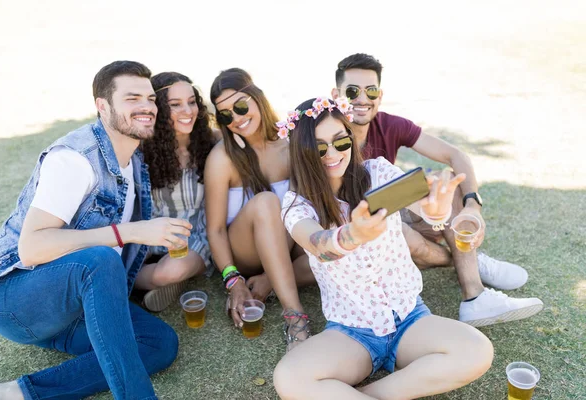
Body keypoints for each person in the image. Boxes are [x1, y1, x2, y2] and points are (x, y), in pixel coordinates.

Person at [0, 61, 191, 400]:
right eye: (132, 98)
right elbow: (32, 248)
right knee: (98, 260)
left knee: (159, 344)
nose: (146, 107)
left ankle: (15, 394)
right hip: (16, 301)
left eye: (151, 98)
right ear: (102, 105)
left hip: (71, 306)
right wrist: (131, 232)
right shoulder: (75, 160)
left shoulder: (133, 155)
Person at [273, 97, 493, 400]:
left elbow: (420, 199)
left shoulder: (376, 172)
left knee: (477, 350)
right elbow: (319, 245)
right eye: (320, 148)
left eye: (341, 142)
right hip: (352, 332)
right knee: (288, 378)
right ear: (302, 153)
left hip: (410, 317)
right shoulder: (296, 204)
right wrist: (353, 234)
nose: (333, 154)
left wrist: (437, 209)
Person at [332, 53, 543, 327]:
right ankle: (468, 259)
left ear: (380, 95)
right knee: (400, 234)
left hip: (393, 214)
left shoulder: (389, 124)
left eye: (370, 90)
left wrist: (472, 206)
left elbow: (456, 156)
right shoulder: (326, 131)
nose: (362, 99)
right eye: (352, 91)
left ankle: (474, 296)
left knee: (446, 185)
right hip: (355, 233)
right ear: (336, 94)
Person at [205, 68, 314, 350]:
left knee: (331, 247)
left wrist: (267, 278)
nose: (237, 118)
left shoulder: (290, 144)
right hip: (247, 250)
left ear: (258, 98)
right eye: (226, 115)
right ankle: (295, 316)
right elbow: (215, 230)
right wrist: (233, 280)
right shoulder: (222, 158)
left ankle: (273, 280)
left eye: (241, 106)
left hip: (290, 243)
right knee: (267, 201)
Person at [138, 72, 218, 312]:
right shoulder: (142, 148)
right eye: (175, 105)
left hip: (193, 239)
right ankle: (157, 279)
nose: (188, 110)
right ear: (159, 109)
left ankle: (142, 283)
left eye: (192, 102)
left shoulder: (212, 143)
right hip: (149, 238)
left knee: (172, 270)